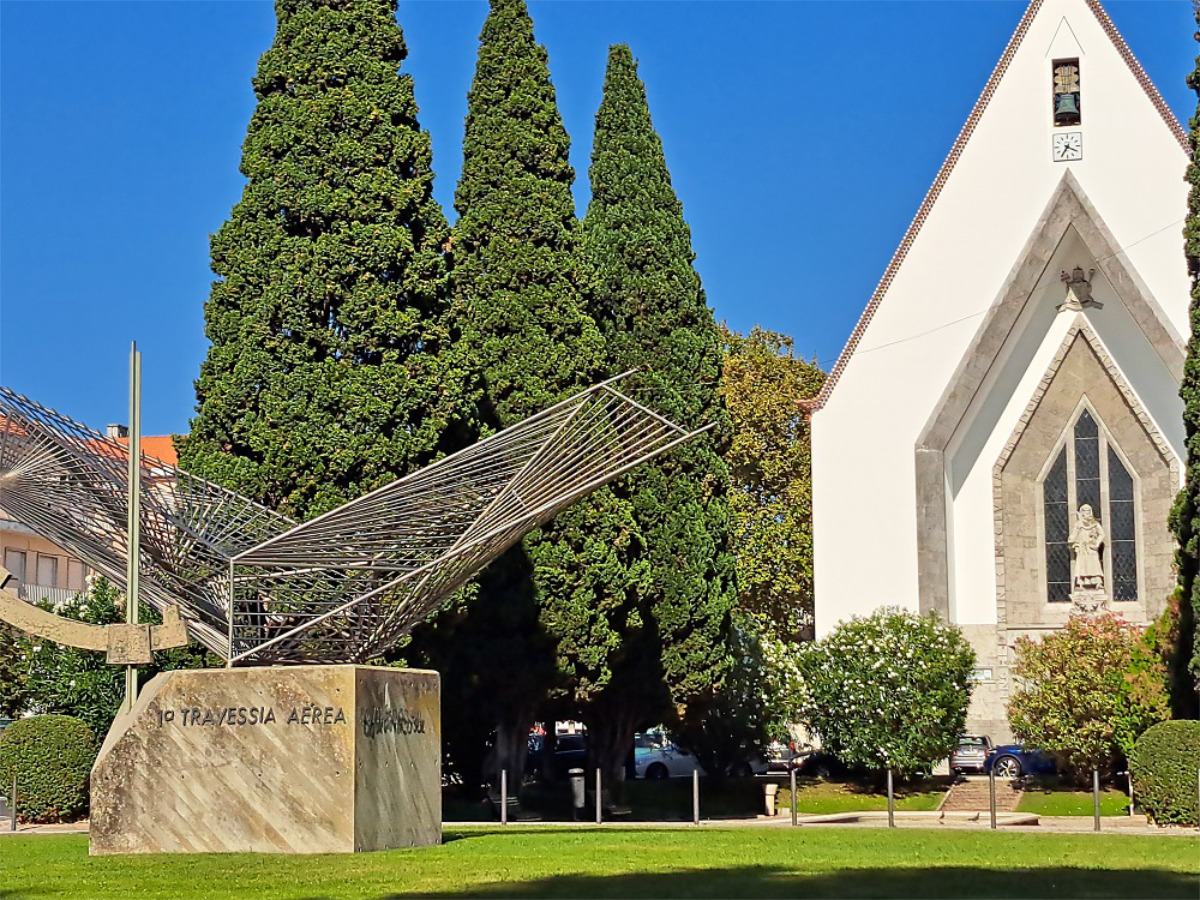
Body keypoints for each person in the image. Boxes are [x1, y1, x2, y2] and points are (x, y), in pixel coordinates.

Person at [1068, 504, 1105, 591]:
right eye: (1084, 511)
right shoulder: (1078, 525)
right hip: (1082, 549)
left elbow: (1102, 534)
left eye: (1088, 511)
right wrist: (1072, 541)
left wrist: (1097, 543)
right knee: (1082, 566)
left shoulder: (1095, 524)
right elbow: (1073, 536)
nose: (1086, 513)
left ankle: (1097, 583)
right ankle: (1081, 583)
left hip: (1091, 548)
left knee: (1094, 565)